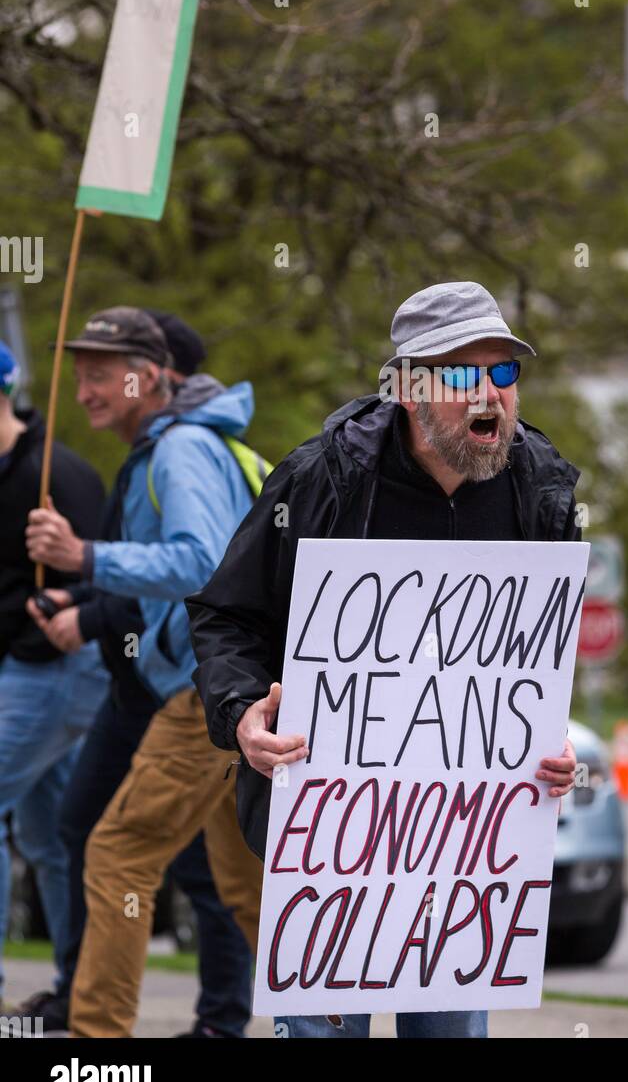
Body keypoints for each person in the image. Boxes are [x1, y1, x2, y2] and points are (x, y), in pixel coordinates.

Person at [188, 280, 580, 1040]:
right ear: (406, 388)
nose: (493, 395)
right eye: (465, 375)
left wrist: (549, 742)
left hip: (468, 851)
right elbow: (224, 615)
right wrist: (242, 718)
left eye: (505, 373)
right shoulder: (323, 480)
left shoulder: (540, 487)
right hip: (330, 840)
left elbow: (534, 661)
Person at [25, 307, 263, 1039]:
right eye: (79, 374)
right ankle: (331, 1023)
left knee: (117, 851)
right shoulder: (187, 443)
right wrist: (86, 590)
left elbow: (202, 563)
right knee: (248, 886)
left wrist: (85, 558)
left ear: (150, 377)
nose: (86, 390)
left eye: (101, 375)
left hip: (206, 692)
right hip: (235, 692)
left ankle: (98, 1051)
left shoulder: (181, 449)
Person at [0, 340, 106, 1011]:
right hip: (18, 670)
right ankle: (79, 994)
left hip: (60, 667)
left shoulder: (54, 474)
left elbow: (110, 577)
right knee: (53, 833)